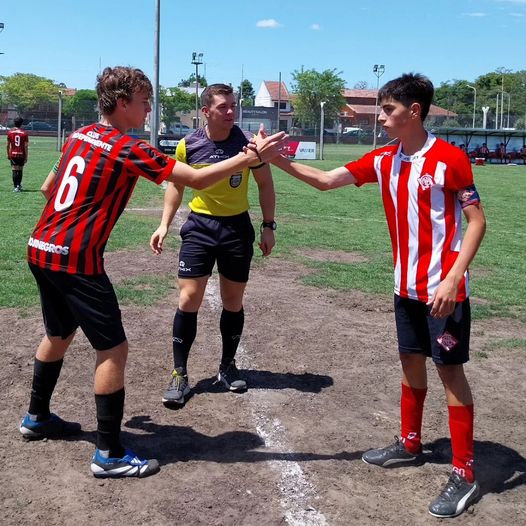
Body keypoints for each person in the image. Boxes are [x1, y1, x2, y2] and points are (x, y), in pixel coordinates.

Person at [19, 66, 286, 479]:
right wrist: (248, 157)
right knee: (113, 351)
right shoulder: (125, 146)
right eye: (144, 102)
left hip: (41, 247)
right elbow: (195, 179)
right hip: (76, 259)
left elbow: (47, 187)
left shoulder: (78, 135)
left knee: (58, 334)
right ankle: (109, 455)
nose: (148, 110)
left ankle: (36, 418)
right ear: (122, 102)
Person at [262, 73, 486, 518]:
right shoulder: (384, 159)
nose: (381, 118)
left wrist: (452, 279)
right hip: (405, 287)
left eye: (388, 110)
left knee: (450, 374)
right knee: (410, 362)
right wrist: (276, 160)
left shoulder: (450, 159)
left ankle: (465, 473)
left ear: (414, 112)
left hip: (444, 292)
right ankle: (410, 443)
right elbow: (325, 180)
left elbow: (477, 222)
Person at [150, 84, 276, 405]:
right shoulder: (188, 145)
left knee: (232, 301)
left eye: (233, 105)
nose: (231, 111)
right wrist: (164, 224)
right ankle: (179, 373)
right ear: (206, 111)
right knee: (188, 298)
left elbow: (265, 184)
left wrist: (268, 226)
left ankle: (228, 366)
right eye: (223, 107)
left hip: (236, 229)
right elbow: (176, 186)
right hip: (200, 229)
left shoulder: (249, 144)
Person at [6, 117, 29, 192]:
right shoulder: (24, 133)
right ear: (21, 124)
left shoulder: (10, 132)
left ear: (14, 123)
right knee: (20, 170)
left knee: (14, 170)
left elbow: (7, 145)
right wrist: (26, 156)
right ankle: (19, 186)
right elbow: (26, 146)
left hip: (13, 154)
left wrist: (8, 154)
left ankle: (15, 187)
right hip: (21, 154)